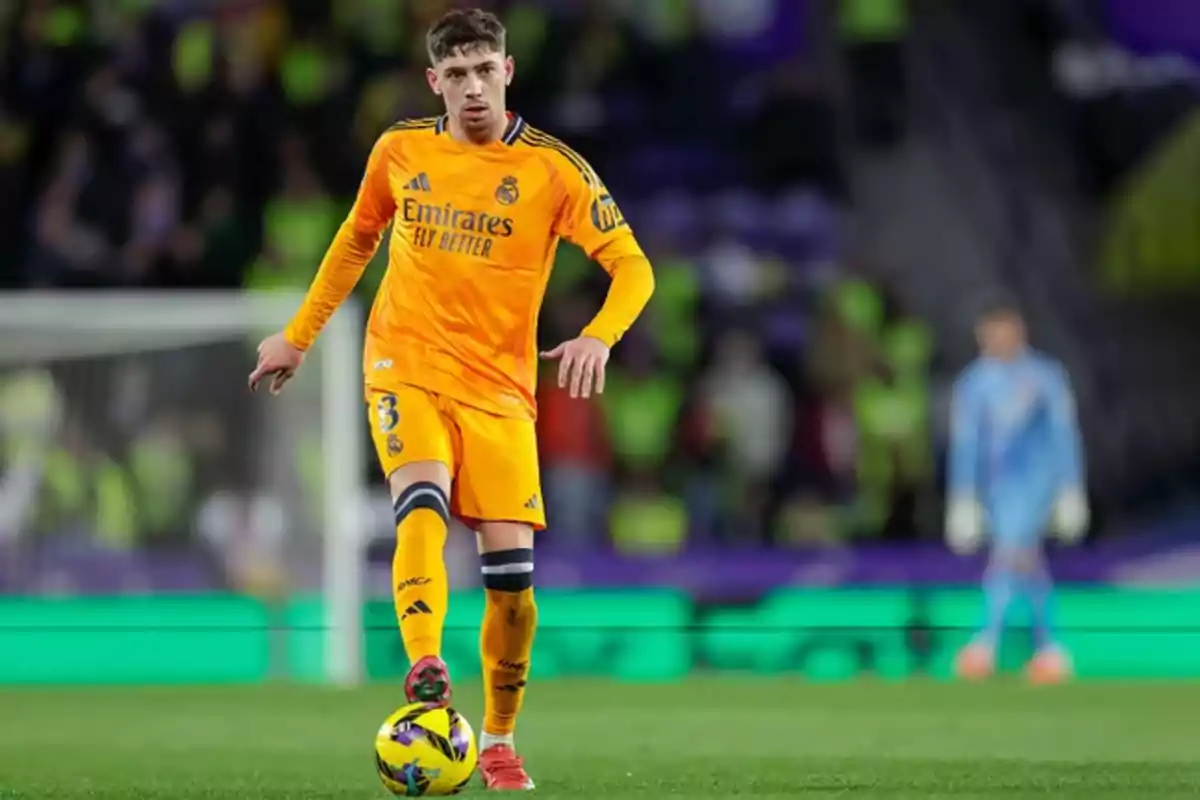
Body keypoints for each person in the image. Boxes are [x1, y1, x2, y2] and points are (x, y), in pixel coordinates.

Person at [247, 8, 655, 790]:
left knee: (514, 591)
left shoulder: (554, 171)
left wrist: (599, 336)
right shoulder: (401, 149)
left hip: (501, 390)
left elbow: (633, 266)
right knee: (421, 502)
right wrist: (298, 335)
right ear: (435, 81)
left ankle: (498, 739)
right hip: (405, 362)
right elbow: (355, 238)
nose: (472, 88)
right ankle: (426, 664)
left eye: (484, 71)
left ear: (508, 72)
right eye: (456, 75)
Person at [944, 297, 1088, 684]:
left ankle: (984, 642)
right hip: (995, 487)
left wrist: (1070, 488)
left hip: (1035, 483)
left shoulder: (1045, 377)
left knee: (1010, 552)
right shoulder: (973, 384)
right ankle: (1050, 647)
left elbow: (1063, 435)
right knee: (1026, 562)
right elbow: (966, 443)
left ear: (1019, 332)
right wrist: (963, 496)